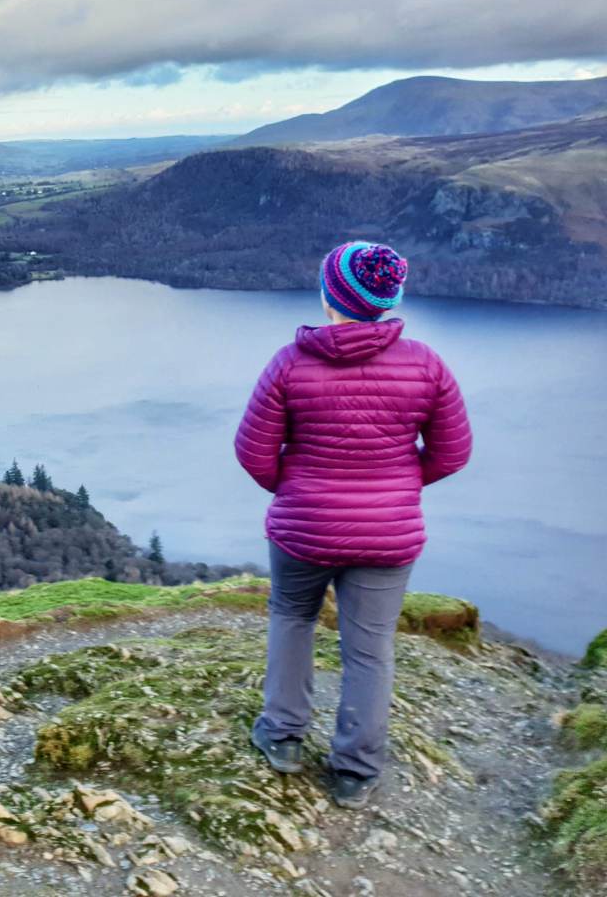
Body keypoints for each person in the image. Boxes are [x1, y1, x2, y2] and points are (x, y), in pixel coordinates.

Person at [234, 240, 472, 809]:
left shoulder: (290, 363)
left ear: (330, 297)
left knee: (292, 619)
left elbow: (252, 451)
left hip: (302, 528)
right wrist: (397, 486)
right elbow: (452, 452)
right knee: (370, 649)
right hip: (389, 536)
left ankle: (284, 738)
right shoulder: (426, 364)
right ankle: (355, 771)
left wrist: (295, 489)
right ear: (386, 301)